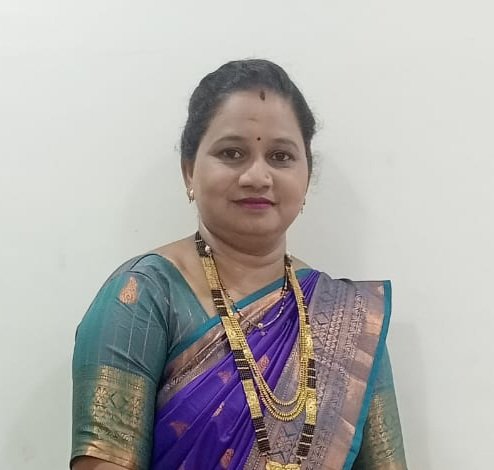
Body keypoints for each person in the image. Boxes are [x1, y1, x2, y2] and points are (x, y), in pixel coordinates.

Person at [71, 59, 407, 470]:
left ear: (306, 176)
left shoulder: (348, 319)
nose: (257, 176)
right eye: (232, 153)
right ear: (189, 170)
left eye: (281, 156)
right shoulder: (142, 296)